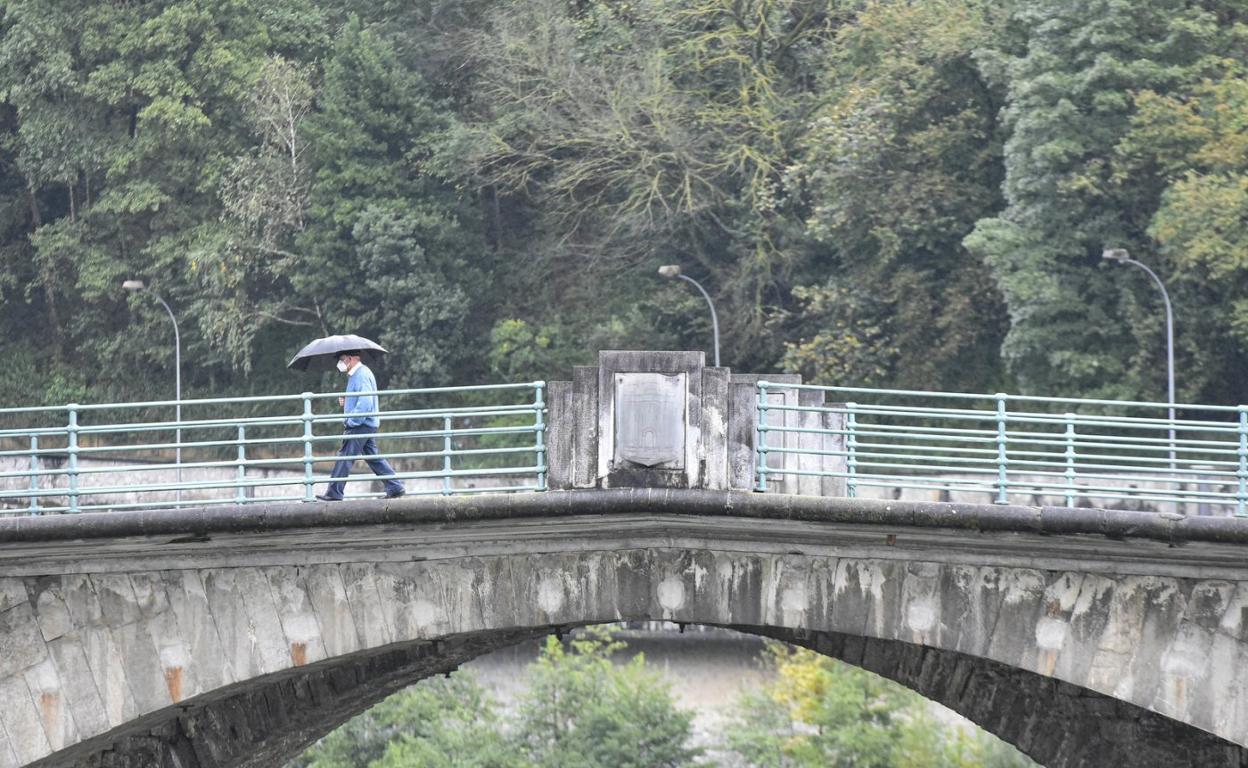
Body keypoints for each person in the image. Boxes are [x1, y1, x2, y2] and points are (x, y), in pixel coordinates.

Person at [316, 351, 406, 501]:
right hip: (365, 423)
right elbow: (360, 399)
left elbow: (365, 403)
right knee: (373, 457)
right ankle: (395, 486)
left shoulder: (361, 375)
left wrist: (351, 422)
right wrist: (346, 401)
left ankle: (334, 493)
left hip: (360, 424)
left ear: (350, 359)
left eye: (341, 360)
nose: (340, 364)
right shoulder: (357, 374)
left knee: (345, 456)